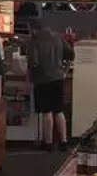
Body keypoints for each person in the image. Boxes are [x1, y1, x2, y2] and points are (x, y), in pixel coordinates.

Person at [28, 14, 71, 151]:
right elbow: (70, 54)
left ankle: (48, 143)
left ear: (33, 29)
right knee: (58, 111)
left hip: (42, 79)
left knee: (47, 112)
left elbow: (33, 62)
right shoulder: (58, 37)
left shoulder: (35, 41)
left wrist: (30, 76)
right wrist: (65, 69)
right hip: (58, 77)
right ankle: (64, 142)